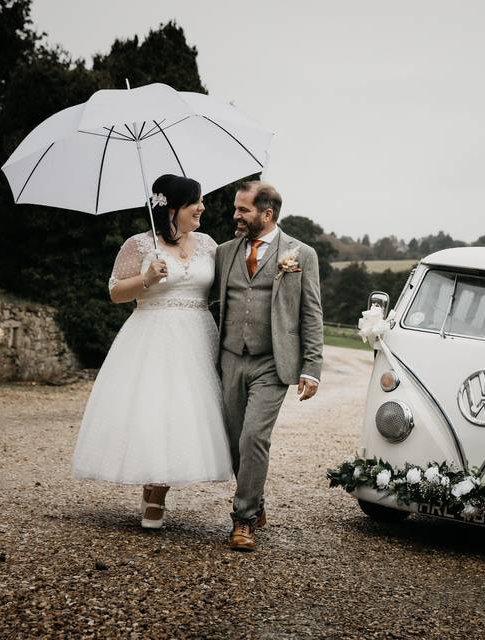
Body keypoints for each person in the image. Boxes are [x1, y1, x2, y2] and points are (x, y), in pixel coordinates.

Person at [72, 174, 232, 529]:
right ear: (172, 208)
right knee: (157, 410)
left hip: (199, 336)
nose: (202, 208)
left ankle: (157, 488)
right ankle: (155, 493)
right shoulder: (139, 244)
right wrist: (146, 279)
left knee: (187, 414)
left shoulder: (207, 244)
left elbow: (224, 289)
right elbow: (115, 292)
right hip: (153, 334)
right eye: (196, 203)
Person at [211, 180, 323, 551]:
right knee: (232, 442)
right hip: (229, 357)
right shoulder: (225, 252)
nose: (235, 215)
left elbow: (311, 313)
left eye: (243, 210)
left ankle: (243, 520)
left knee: (254, 437)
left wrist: (311, 367)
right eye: (236, 208)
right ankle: (256, 502)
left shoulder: (300, 254)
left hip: (272, 363)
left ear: (267, 213)